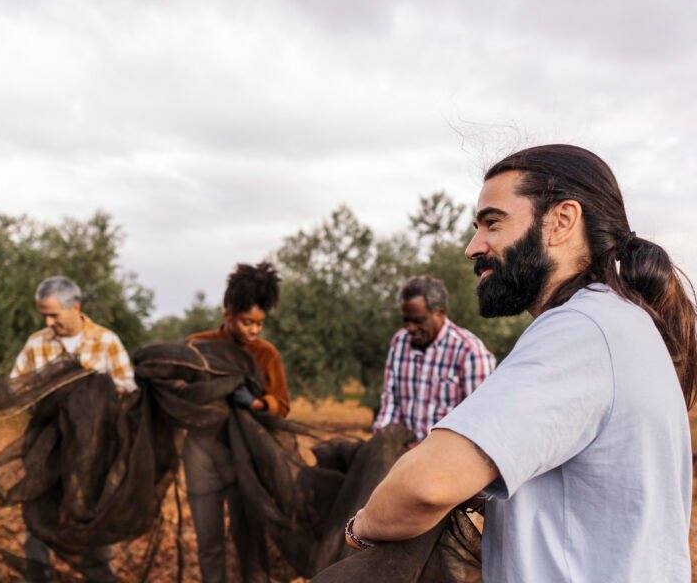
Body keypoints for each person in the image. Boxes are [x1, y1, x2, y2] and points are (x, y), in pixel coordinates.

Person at [345, 145, 695, 582]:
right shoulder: (619, 322)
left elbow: (426, 485)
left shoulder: (582, 330)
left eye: (493, 223)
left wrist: (358, 530)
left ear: (562, 221)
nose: (474, 247)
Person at [10, 275, 135, 583]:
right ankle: (37, 575)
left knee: (94, 510)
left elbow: (128, 389)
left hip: (94, 450)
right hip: (46, 447)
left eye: (54, 314)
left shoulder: (107, 341)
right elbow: (16, 387)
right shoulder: (36, 343)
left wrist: (93, 396)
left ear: (75, 307)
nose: (49, 321)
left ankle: (99, 575)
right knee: (40, 512)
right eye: (44, 315)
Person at [185, 262, 290, 583]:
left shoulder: (266, 354)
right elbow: (180, 392)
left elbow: (282, 405)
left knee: (250, 541)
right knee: (210, 543)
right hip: (202, 456)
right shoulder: (197, 346)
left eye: (260, 323)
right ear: (228, 312)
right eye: (247, 322)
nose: (254, 331)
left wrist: (258, 403)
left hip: (247, 459)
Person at [373, 275, 495, 442]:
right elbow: (390, 401)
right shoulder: (399, 343)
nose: (410, 328)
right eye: (406, 320)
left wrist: (426, 450)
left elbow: (480, 421)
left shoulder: (469, 352)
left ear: (440, 313)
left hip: (447, 457)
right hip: (402, 453)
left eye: (418, 321)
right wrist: (382, 440)